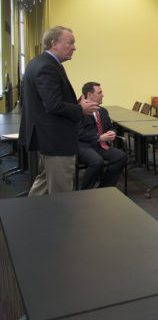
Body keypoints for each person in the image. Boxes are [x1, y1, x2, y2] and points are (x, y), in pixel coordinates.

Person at [19, 26, 99, 196]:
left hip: (47, 137)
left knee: (44, 183)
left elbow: (48, 101)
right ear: (54, 43)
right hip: (56, 140)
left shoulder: (39, 63)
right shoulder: (47, 67)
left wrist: (74, 104)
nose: (74, 47)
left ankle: (28, 217)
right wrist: (80, 109)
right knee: (62, 194)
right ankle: (60, 222)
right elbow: (53, 105)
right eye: (70, 42)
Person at [77, 82, 128, 189]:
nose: (103, 95)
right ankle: (85, 190)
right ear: (90, 94)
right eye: (99, 93)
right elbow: (79, 132)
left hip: (100, 146)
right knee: (97, 162)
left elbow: (110, 127)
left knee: (121, 156)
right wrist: (99, 137)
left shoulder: (103, 111)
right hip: (84, 146)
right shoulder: (79, 111)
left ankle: (105, 187)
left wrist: (112, 132)